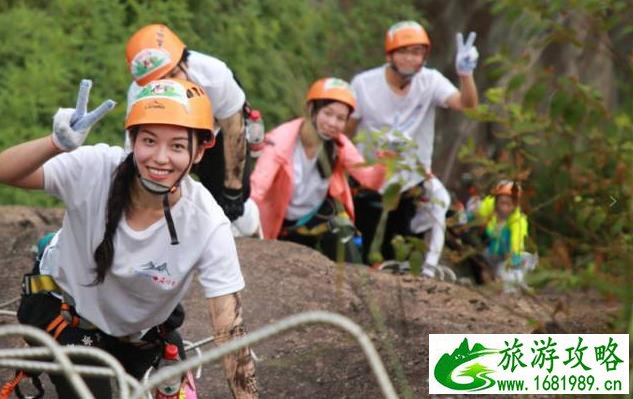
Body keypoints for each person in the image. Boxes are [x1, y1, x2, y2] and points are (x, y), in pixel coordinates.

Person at [0, 79, 257, 398]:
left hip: (143, 333)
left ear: (200, 150)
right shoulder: (95, 169)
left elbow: (229, 330)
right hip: (68, 317)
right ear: (132, 139)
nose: (160, 158)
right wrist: (54, 143)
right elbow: (5, 171)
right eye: (149, 141)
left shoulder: (206, 222)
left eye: (177, 146)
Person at [346, 20, 479, 274]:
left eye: (417, 52)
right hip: (369, 182)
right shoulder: (364, 85)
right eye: (404, 51)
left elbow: (468, 105)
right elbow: (346, 134)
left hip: (410, 181)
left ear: (424, 57)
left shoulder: (430, 82)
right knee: (364, 253)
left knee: (399, 250)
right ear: (390, 54)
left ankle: (428, 271)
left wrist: (466, 75)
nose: (410, 58)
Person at [126, 24, 258, 232]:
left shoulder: (215, 76)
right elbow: (133, 152)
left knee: (233, 200)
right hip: (165, 142)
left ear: (184, 60)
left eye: (173, 75)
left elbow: (234, 131)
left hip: (213, 138)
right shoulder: (138, 96)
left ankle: (249, 223)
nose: (170, 86)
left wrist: (233, 188)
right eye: (159, 82)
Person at [250, 78, 385, 262]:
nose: (332, 123)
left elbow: (369, 180)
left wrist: (385, 160)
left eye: (340, 118)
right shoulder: (282, 140)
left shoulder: (340, 145)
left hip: (317, 219)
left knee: (343, 232)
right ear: (312, 110)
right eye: (328, 113)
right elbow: (259, 184)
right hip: (280, 224)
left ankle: (357, 281)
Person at [471, 180, 535, 292]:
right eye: (502, 203)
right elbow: (479, 211)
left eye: (508, 204)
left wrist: (513, 259)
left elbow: (517, 242)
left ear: (515, 205)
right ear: (496, 203)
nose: (504, 208)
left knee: (505, 277)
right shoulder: (491, 209)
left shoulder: (518, 221)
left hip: (506, 256)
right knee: (479, 261)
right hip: (490, 253)